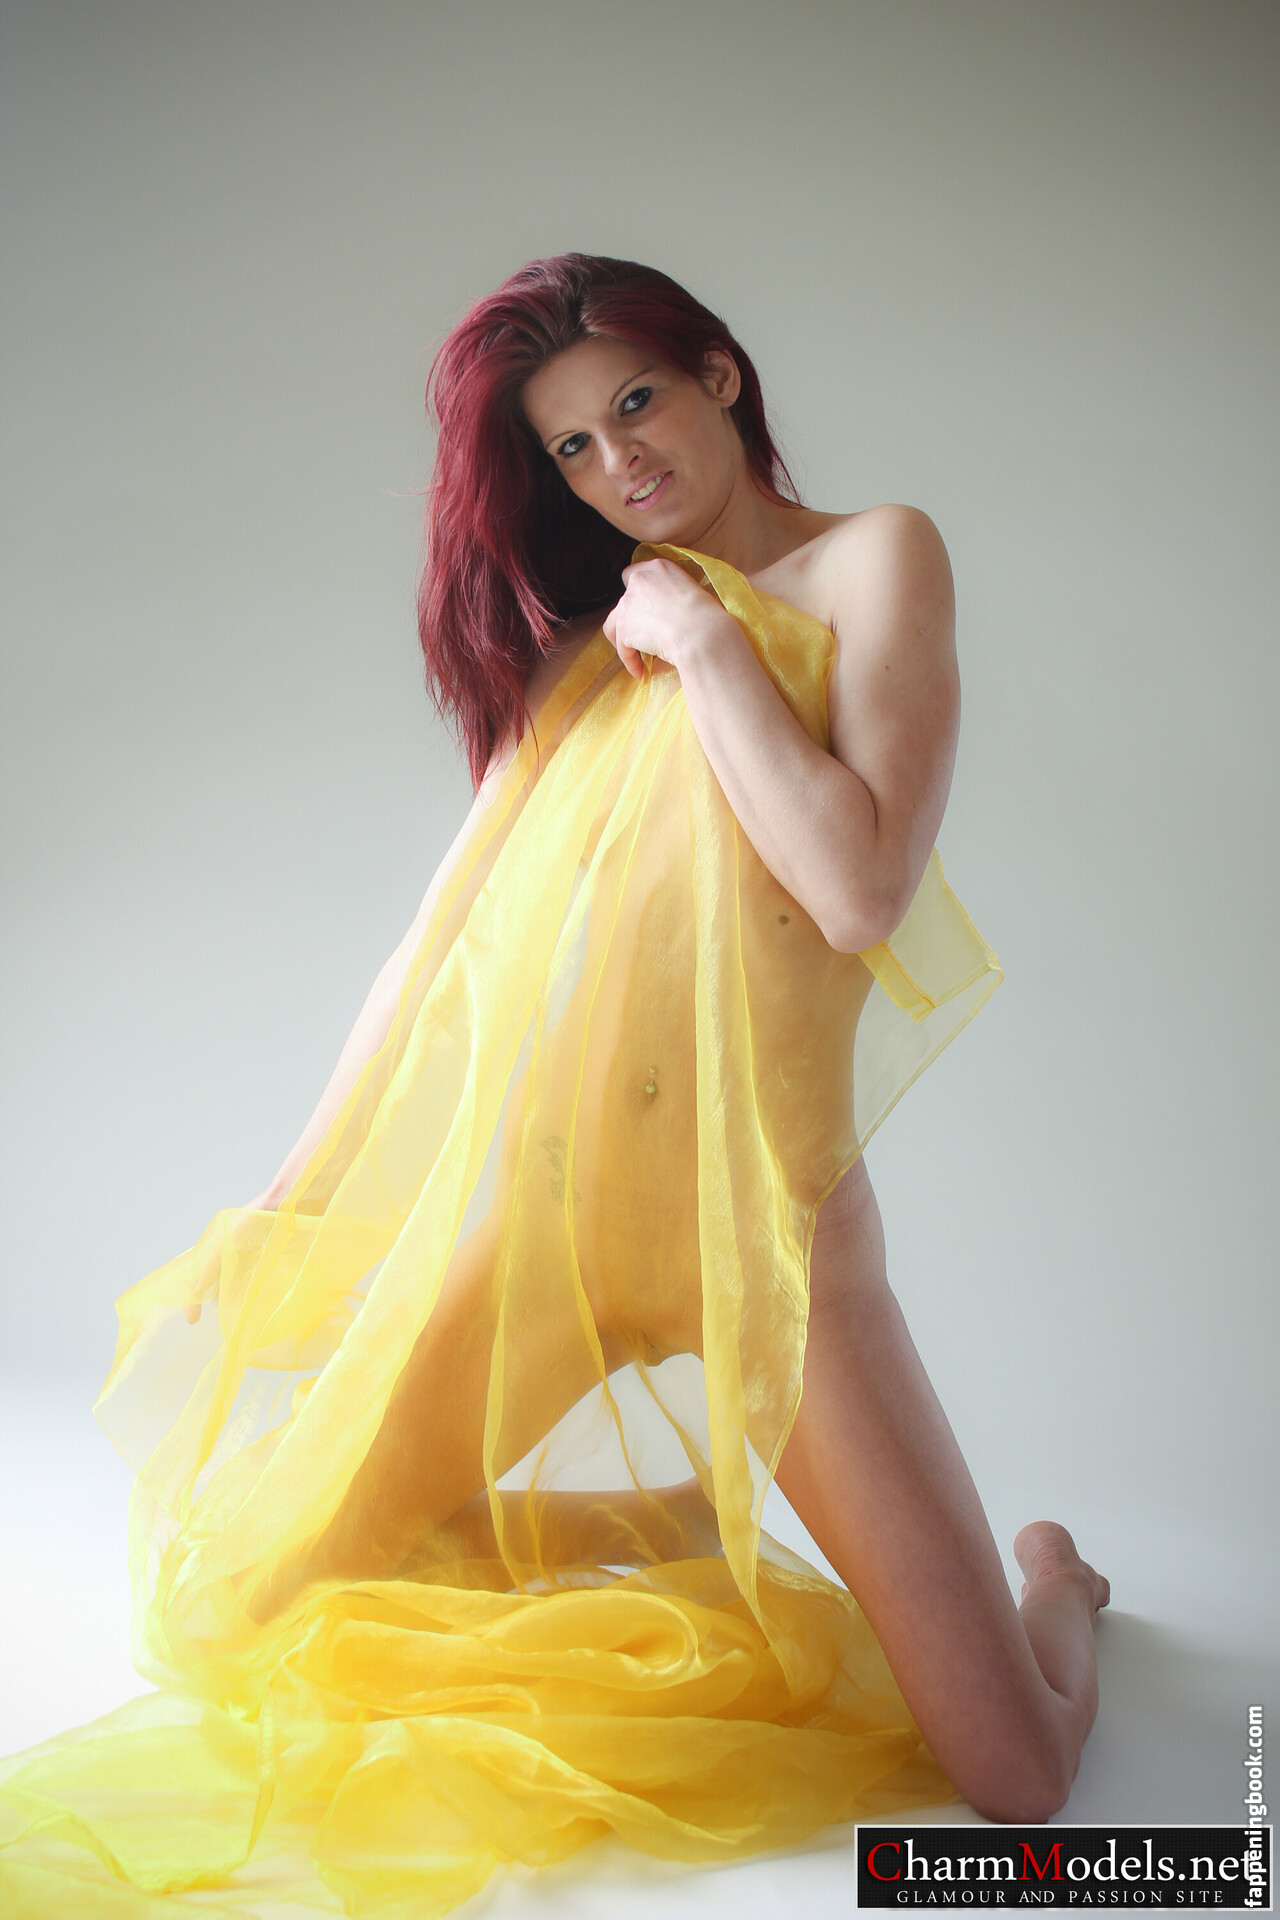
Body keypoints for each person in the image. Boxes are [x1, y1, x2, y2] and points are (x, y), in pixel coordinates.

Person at [0, 254, 1107, 1915]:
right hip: (553, 1230)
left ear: (721, 372)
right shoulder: (586, 654)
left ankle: (1052, 1584)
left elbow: (860, 891)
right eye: (573, 447)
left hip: (777, 1247)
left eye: (636, 402)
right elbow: (428, 950)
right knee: (235, 1606)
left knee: (1016, 1783)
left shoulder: (872, 558)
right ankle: (663, 1517)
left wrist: (708, 641)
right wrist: (290, 1199)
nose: (618, 462)